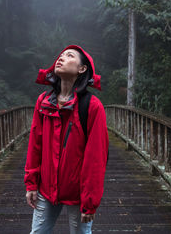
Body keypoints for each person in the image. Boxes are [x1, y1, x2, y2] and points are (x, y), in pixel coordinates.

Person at [24, 45, 109, 234]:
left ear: (82, 69)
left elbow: (96, 158)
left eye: (69, 56)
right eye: (60, 56)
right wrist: (31, 183)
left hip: (78, 195)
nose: (60, 58)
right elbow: (35, 145)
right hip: (46, 189)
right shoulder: (43, 102)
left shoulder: (92, 107)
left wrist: (89, 202)